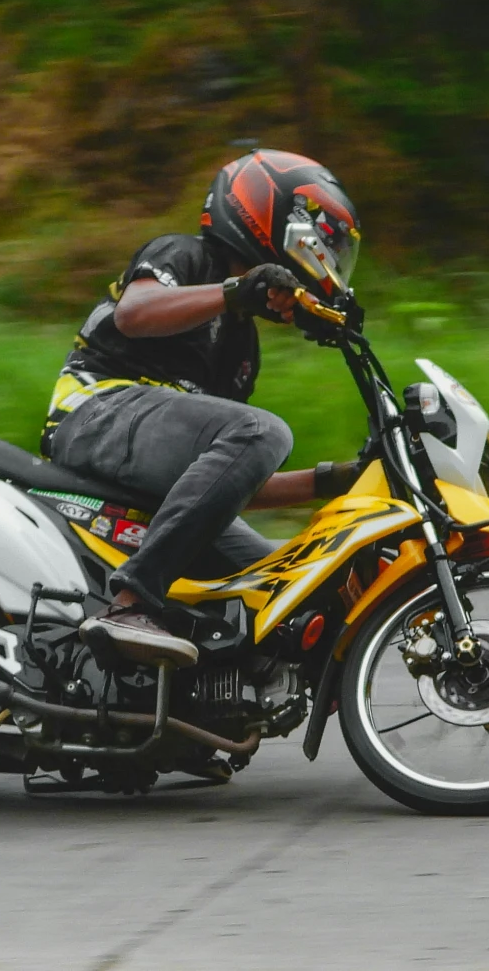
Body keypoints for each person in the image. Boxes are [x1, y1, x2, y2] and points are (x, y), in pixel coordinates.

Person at [45, 149, 368, 667]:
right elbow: (134, 313)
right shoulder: (186, 256)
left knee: (286, 579)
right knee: (265, 430)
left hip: (147, 466)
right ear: (272, 216)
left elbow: (223, 479)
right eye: (324, 238)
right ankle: (130, 603)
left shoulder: (243, 350)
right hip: (95, 412)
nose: (328, 254)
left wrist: (338, 479)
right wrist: (236, 292)